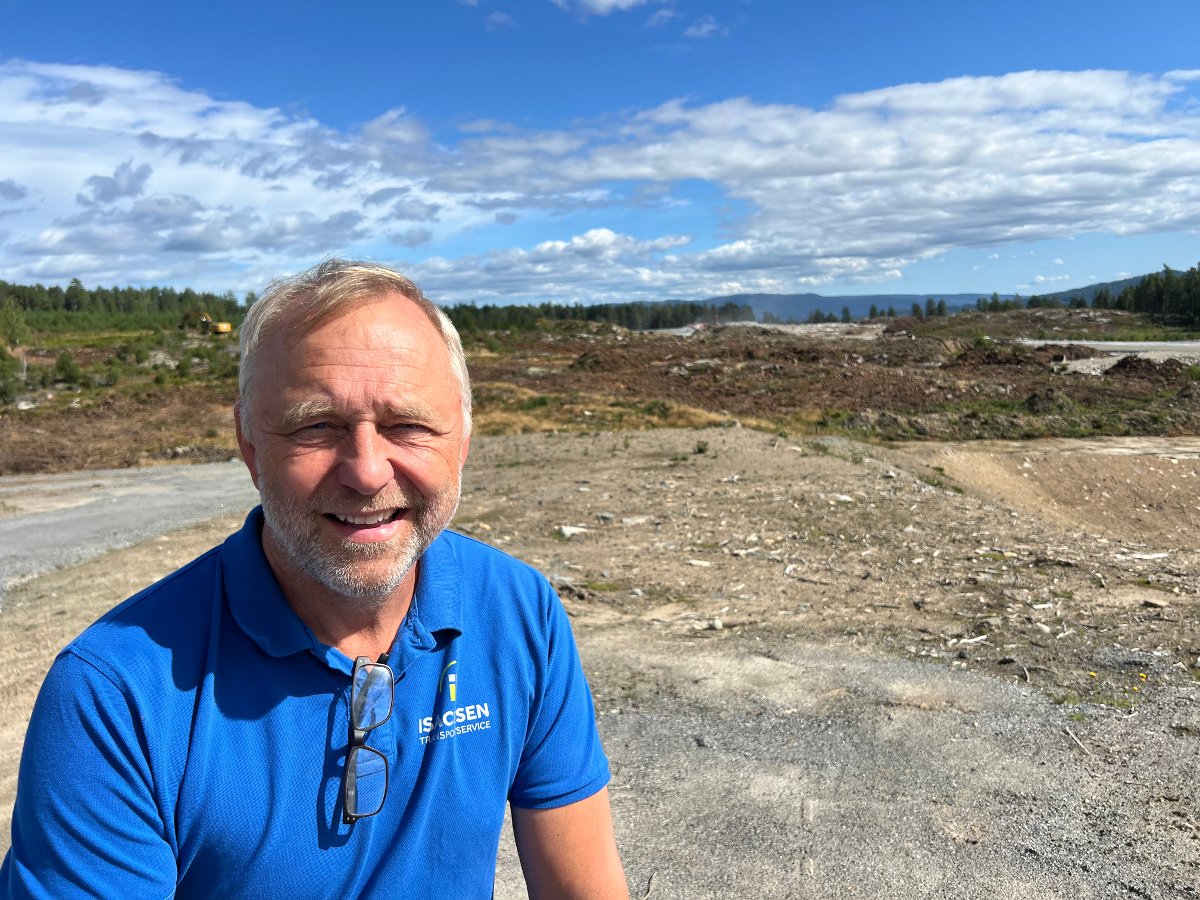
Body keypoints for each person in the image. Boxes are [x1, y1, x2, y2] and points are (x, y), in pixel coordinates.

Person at [2, 259, 629, 898]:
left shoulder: (518, 611)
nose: (365, 470)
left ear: (462, 438)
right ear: (250, 443)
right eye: (316, 426)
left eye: (407, 425)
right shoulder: (116, 693)